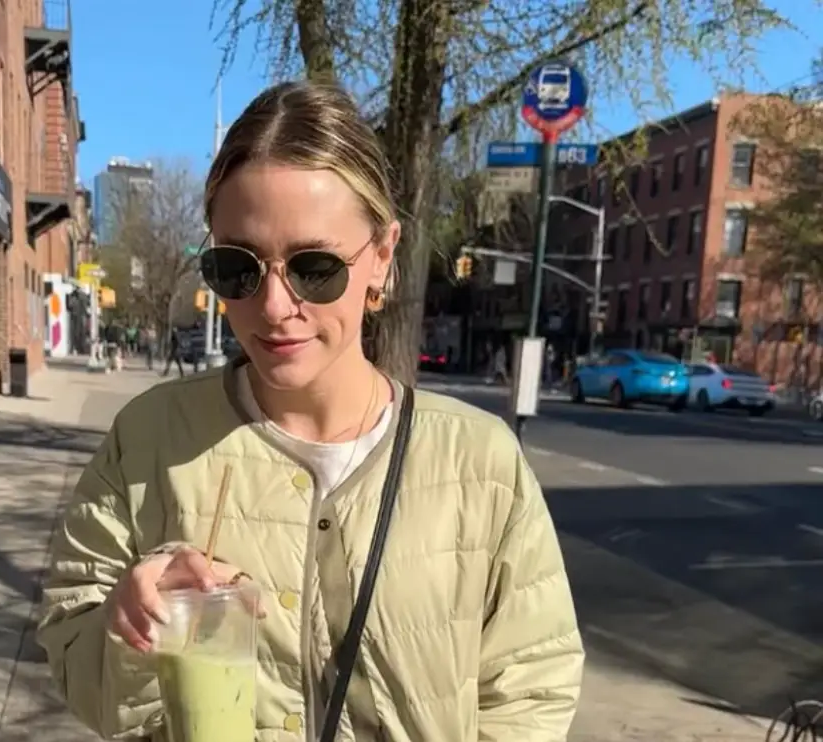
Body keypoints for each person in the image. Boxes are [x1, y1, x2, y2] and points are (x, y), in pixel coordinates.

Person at [36, 81, 583, 742]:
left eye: (314, 266)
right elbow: (73, 650)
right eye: (238, 267)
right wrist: (131, 629)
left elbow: (534, 682)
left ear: (381, 258)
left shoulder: (480, 461)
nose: (273, 306)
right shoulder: (148, 440)